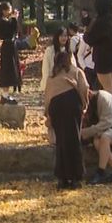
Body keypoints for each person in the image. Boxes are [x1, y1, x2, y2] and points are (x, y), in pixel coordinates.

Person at [43, 28, 89, 190]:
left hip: (57, 106)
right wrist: (84, 105)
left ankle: (62, 178)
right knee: (74, 139)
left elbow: (48, 96)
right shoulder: (76, 72)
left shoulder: (53, 77)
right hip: (72, 103)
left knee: (61, 140)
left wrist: (47, 113)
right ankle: (76, 176)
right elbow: (84, 89)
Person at [85, 0, 112, 98]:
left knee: (108, 88)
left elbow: (89, 39)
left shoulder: (100, 22)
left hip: (103, 58)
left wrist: (88, 28)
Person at [0, 2, 21, 104]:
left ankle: (6, 95)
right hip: (8, 47)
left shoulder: (2, 20)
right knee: (7, 70)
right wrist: (14, 18)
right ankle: (5, 96)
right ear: (4, 11)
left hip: (9, 47)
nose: (10, 12)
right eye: (9, 10)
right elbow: (12, 30)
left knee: (10, 69)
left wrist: (13, 18)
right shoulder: (1, 21)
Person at [72, 20, 98, 91]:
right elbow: (79, 55)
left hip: (99, 68)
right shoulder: (85, 39)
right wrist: (84, 67)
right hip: (88, 68)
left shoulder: (101, 39)